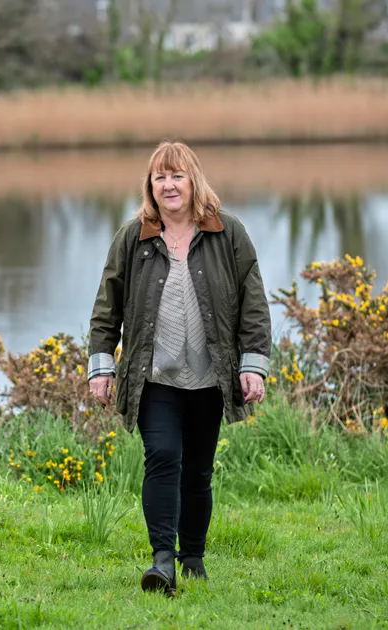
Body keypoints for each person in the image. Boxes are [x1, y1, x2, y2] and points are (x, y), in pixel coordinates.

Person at [86, 140, 272, 595]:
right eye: (159, 177)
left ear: (194, 181)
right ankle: (162, 561)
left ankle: (193, 557)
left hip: (209, 377)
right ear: (150, 186)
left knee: (198, 472)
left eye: (177, 176)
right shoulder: (134, 238)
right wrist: (101, 366)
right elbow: (106, 307)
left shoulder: (229, 234)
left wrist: (253, 365)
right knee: (164, 457)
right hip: (154, 377)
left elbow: (254, 305)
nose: (168, 185)